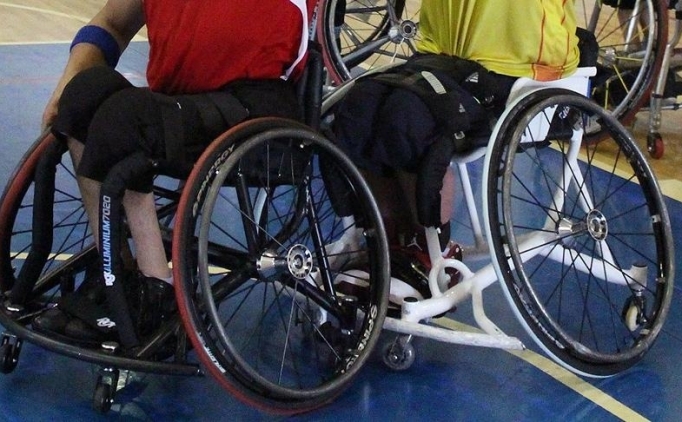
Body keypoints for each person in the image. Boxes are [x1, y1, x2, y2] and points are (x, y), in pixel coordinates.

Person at [34, 0, 315, 348]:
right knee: (82, 95)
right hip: (179, 105)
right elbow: (112, 23)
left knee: (128, 118)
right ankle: (116, 275)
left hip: (255, 109)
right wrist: (69, 77)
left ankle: (157, 289)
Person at [333, 0, 581, 291]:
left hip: (519, 63)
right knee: (359, 109)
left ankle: (430, 252)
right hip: (444, 53)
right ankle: (389, 241)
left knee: (410, 119)